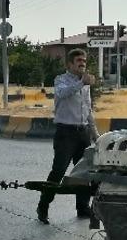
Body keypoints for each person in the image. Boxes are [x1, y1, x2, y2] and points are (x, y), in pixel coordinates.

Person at [37, 49, 98, 228]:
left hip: (82, 132)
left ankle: (82, 207)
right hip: (66, 133)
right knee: (58, 171)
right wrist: (81, 83)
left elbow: (87, 108)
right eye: (79, 60)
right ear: (69, 64)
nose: (82, 63)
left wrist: (95, 134)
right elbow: (62, 94)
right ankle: (43, 206)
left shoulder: (85, 83)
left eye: (84, 60)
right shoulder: (61, 80)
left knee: (84, 172)